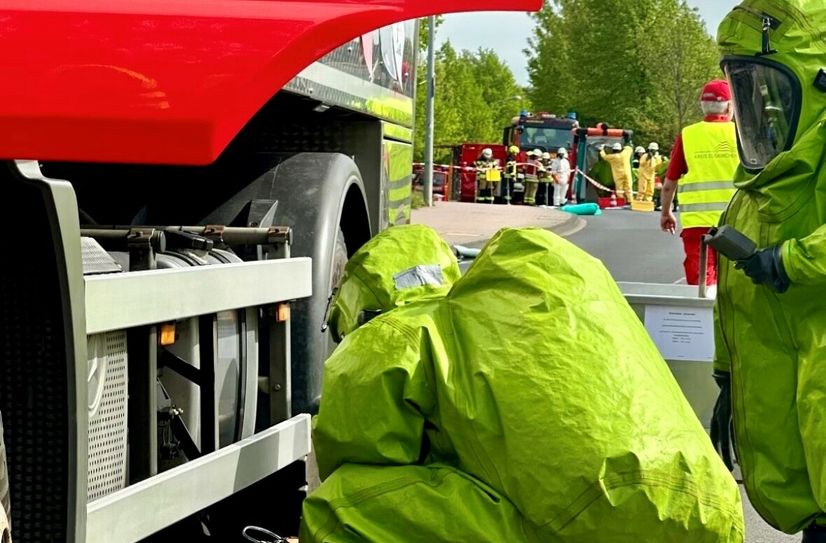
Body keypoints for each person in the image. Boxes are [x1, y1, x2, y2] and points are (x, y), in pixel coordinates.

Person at [308, 225, 745, 542]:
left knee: (337, 508)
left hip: (589, 519)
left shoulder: (396, 331)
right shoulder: (519, 306)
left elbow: (357, 456)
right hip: (711, 511)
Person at [711, 3, 826, 541]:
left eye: (769, 88)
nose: (758, 107)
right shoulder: (762, 186)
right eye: (747, 88)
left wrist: (790, 261)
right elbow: (736, 291)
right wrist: (726, 374)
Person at [659, 79, 738, 286]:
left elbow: (669, 184)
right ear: (730, 106)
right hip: (736, 222)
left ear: (702, 106)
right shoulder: (741, 135)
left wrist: (666, 213)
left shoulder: (688, 135)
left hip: (698, 225)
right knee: (735, 281)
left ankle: (703, 318)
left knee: (701, 282)